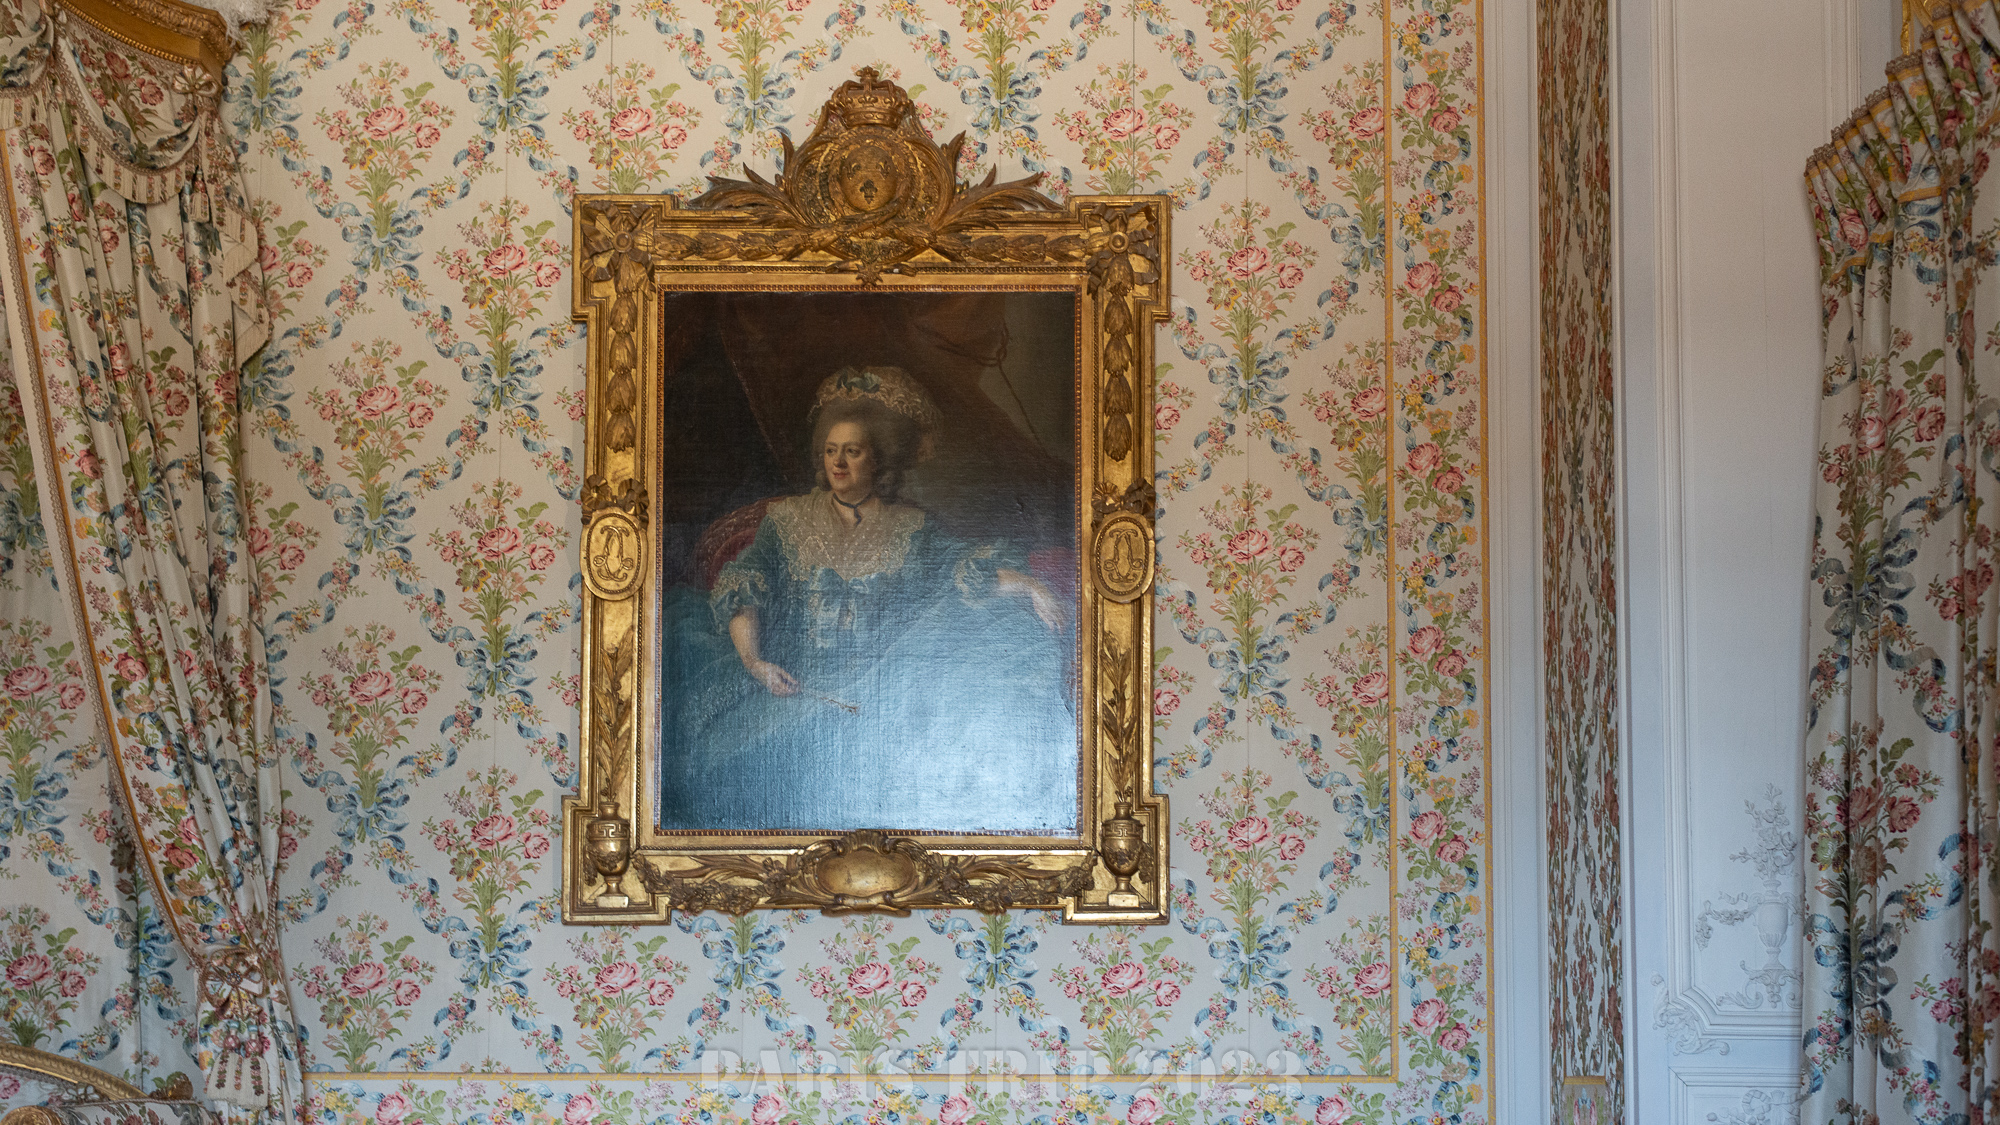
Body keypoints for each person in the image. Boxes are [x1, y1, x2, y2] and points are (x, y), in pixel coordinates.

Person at [658, 366, 1077, 834]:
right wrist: (755, 662)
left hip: (884, 683)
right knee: (734, 767)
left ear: (878, 460)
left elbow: (963, 570)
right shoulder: (787, 519)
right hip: (794, 680)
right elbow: (744, 586)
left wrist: (1032, 586)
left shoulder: (910, 527)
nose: (838, 463)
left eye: (852, 451)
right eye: (831, 451)